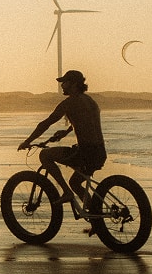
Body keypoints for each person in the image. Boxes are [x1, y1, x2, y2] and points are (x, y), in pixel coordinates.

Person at [18, 70, 107, 203]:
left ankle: (66, 192)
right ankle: (93, 212)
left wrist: (27, 141)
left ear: (74, 84)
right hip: (100, 153)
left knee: (45, 155)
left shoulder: (70, 103)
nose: (62, 86)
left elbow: (46, 123)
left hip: (85, 152)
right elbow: (86, 122)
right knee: (75, 183)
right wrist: (66, 132)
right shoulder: (90, 101)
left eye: (65, 83)